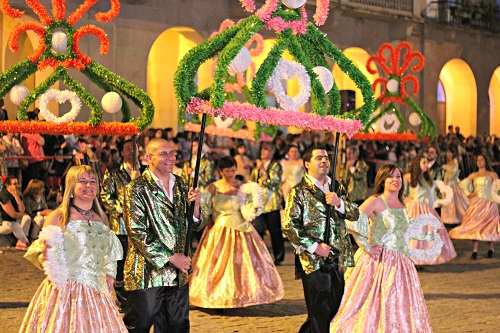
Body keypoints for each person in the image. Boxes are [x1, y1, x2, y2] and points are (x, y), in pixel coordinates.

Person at [19, 165, 127, 332]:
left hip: (97, 291)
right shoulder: (59, 217)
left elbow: (109, 252)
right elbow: (44, 253)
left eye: (92, 181)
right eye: (82, 182)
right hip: (66, 292)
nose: (89, 186)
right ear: (71, 187)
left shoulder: (101, 218)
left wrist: (110, 273)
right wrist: (57, 272)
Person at [330, 164, 433, 332]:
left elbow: (402, 229)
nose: (395, 180)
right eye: (391, 176)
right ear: (382, 180)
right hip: (378, 262)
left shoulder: (402, 202)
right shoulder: (376, 201)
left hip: (401, 263)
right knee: (373, 301)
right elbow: (351, 222)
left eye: (398, 176)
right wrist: (366, 245)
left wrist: (423, 233)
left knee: (398, 302)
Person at [123, 138, 201, 333]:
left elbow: (192, 224)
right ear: (149, 158)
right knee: (140, 323)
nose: (170, 158)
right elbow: (137, 232)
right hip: (147, 273)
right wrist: (172, 257)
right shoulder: (136, 189)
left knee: (177, 325)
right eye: (164, 154)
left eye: (172, 153)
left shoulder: (182, 185)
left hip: (177, 274)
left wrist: (196, 206)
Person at [189, 156, 284, 309]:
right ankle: (218, 297)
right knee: (218, 267)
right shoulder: (213, 188)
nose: (231, 174)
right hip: (219, 230)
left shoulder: (242, 187)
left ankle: (241, 295)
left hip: (241, 229)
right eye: (227, 171)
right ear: (220, 172)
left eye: (233, 170)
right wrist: (202, 217)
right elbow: (206, 209)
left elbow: (247, 208)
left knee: (242, 265)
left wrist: (253, 208)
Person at [282, 145, 359, 333]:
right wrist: (315, 246)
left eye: (326, 157)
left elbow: (355, 213)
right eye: (319, 158)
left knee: (335, 305)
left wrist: (339, 203)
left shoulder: (337, 187)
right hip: (312, 260)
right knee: (319, 310)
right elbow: (289, 226)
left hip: (337, 256)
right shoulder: (299, 191)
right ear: (307, 164)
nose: (324, 161)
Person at [100, 139, 142, 312]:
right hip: (121, 227)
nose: (131, 151)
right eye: (127, 149)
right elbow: (105, 197)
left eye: (134, 148)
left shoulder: (146, 172)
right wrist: (122, 208)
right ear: (122, 152)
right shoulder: (113, 173)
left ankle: (139, 299)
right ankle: (124, 301)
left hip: (141, 227)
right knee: (121, 264)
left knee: (138, 264)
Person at [404, 156, 456, 266]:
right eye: (424, 162)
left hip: (426, 208)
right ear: (418, 164)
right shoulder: (409, 177)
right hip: (414, 208)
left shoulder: (428, 179)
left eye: (426, 162)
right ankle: (412, 259)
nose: (426, 165)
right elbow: (402, 191)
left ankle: (420, 259)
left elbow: (431, 195)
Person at [450, 154, 500, 259]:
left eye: (482, 159)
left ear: (486, 161)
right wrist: (469, 193)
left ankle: (490, 248)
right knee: (475, 225)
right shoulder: (474, 175)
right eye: (478, 160)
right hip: (477, 203)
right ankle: (475, 250)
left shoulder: (492, 174)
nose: (480, 161)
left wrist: (495, 198)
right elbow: (462, 184)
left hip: (488, 203)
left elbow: (497, 187)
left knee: (488, 225)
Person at [250, 141, 285, 265]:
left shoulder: (276, 166)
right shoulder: (257, 167)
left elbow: (273, 182)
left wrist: (263, 170)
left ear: (272, 151)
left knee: (274, 231)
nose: (263, 151)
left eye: (266, 149)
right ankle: (258, 256)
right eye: (263, 149)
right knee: (257, 230)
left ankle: (279, 257)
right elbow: (252, 182)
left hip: (272, 203)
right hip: (259, 203)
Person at [0, 176, 31, 249]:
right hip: (2, 222)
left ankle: (20, 242)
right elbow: (13, 214)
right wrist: (23, 214)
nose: (18, 185)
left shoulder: (15, 194)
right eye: (15, 184)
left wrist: (15, 195)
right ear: (8, 186)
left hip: (11, 220)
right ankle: (27, 243)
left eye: (17, 183)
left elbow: (22, 210)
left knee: (27, 218)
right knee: (15, 225)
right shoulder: (3, 195)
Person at [441, 147, 469, 225]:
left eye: (450, 153)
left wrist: (446, 168)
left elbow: (454, 171)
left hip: (452, 184)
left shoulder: (454, 161)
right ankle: (447, 217)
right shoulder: (449, 161)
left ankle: (455, 217)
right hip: (447, 184)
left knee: (454, 201)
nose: (448, 154)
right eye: (447, 152)